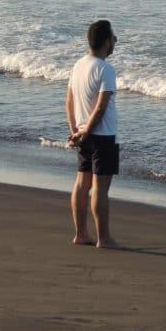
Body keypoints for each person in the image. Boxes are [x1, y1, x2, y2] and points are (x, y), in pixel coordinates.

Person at [65, 20, 119, 249]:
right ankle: (104, 238)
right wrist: (87, 131)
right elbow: (101, 106)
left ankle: (81, 234)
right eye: (114, 37)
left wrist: (76, 131)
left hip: (82, 134)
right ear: (106, 41)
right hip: (101, 135)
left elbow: (69, 101)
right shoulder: (105, 69)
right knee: (100, 187)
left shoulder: (78, 65)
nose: (115, 40)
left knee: (81, 184)